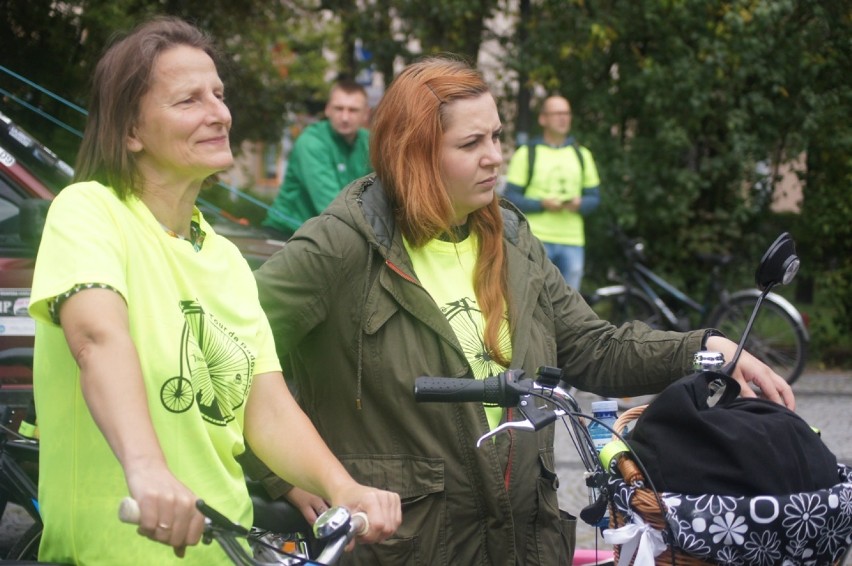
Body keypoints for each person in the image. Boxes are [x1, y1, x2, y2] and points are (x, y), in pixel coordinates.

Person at [252, 56, 794, 565]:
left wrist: (706, 349)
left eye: (497, 136)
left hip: (521, 539)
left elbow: (593, 348)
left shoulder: (509, 236)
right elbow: (225, 349)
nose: (495, 156)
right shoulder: (346, 243)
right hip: (408, 547)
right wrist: (285, 475)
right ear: (413, 153)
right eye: (471, 143)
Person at [27, 17, 400, 565]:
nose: (220, 113)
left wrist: (344, 487)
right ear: (131, 131)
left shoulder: (224, 257)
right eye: (189, 100)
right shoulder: (88, 210)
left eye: (219, 95)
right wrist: (147, 469)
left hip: (227, 552)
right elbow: (98, 339)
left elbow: (264, 405)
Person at [503, 95, 600, 291]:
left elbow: (595, 199)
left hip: (572, 240)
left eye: (566, 113)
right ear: (543, 119)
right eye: (557, 113)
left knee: (571, 305)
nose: (563, 118)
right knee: (533, 300)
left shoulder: (582, 155)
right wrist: (542, 204)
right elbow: (510, 197)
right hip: (535, 239)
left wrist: (580, 204)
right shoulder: (527, 153)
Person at [261, 79, 371, 239]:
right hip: (287, 234)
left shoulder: (368, 142)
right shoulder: (311, 142)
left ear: (366, 114)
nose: (345, 117)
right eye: (339, 108)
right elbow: (334, 207)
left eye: (353, 110)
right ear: (327, 109)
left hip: (330, 236)